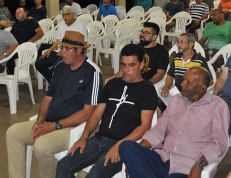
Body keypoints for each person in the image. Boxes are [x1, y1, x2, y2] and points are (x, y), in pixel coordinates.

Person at [6, 31, 103, 178]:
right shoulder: (60, 67)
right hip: (50, 122)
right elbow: (47, 98)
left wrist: (54, 125)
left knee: (42, 146)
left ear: (79, 50)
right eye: (61, 48)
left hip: (74, 128)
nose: (61, 52)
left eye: (66, 49)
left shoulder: (92, 72)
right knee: (13, 133)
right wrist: (40, 121)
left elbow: (88, 112)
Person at [55, 44, 157, 178]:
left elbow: (145, 126)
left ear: (142, 64)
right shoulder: (113, 84)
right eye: (123, 65)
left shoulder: (147, 90)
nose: (126, 70)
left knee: (94, 175)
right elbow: (97, 114)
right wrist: (84, 137)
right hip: (98, 140)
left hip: (121, 144)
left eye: (131, 65)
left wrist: (121, 146)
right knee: (63, 165)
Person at [118, 67, 229, 178]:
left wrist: (200, 164)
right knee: (126, 146)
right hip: (164, 159)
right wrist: (140, 154)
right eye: (184, 79)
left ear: (201, 88)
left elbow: (219, 143)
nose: (182, 84)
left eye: (188, 82)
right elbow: (159, 129)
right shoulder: (177, 100)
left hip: (188, 167)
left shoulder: (218, 106)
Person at [36, 6, 88, 82]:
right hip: (59, 52)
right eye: (63, 15)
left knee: (57, 67)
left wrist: (66, 52)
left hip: (72, 54)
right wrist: (49, 50)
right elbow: (57, 41)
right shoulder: (62, 25)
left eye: (67, 14)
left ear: (73, 14)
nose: (65, 17)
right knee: (39, 63)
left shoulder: (80, 26)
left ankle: (57, 84)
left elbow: (84, 45)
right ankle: (54, 82)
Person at [159, 33, 210, 112]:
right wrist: (166, 88)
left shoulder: (200, 60)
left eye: (182, 42)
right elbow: (170, 76)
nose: (178, 45)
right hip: (176, 93)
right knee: (157, 106)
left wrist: (194, 92)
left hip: (191, 95)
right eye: (178, 42)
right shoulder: (177, 57)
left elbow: (210, 81)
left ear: (190, 44)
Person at [2, 7, 45, 74]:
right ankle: (3, 74)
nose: (17, 14)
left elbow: (40, 33)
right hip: (13, 46)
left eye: (19, 12)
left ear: (25, 14)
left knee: (8, 56)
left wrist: (29, 42)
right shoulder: (16, 25)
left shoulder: (32, 22)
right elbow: (10, 37)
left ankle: (12, 76)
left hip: (24, 48)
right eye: (16, 13)